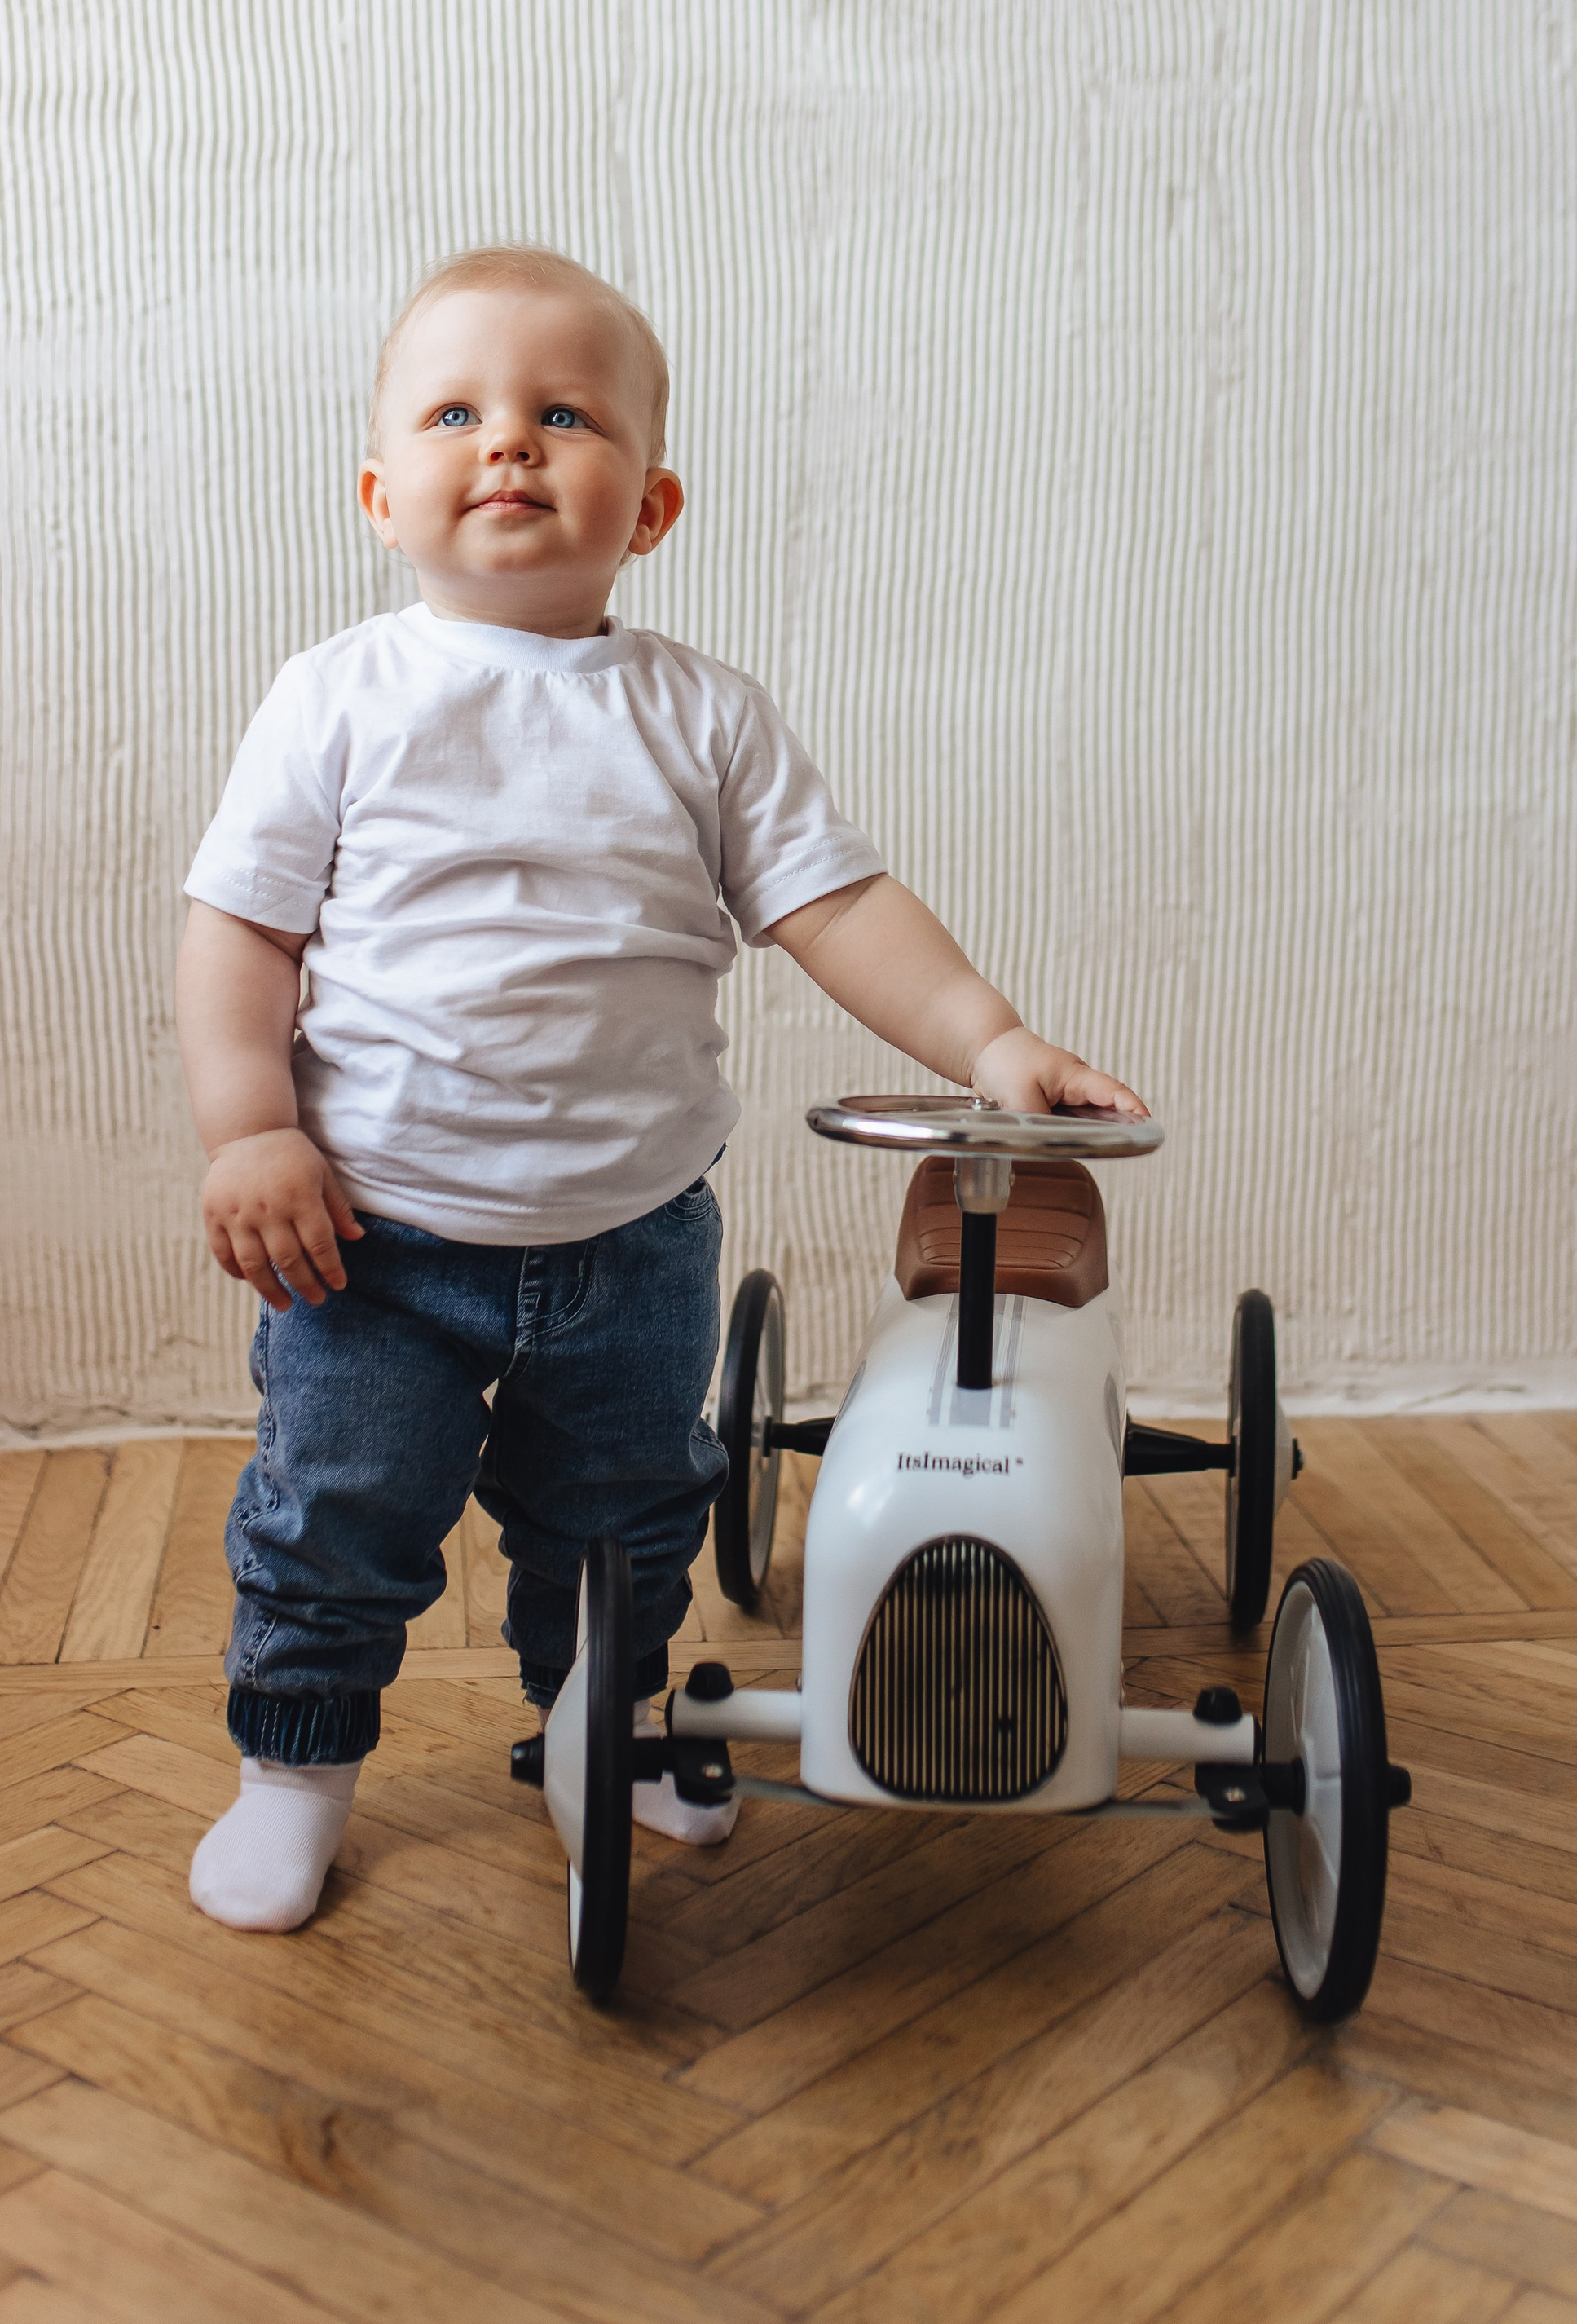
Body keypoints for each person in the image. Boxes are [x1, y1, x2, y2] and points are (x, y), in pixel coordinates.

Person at [178, 244, 1148, 1930]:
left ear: (651, 502)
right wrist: (249, 1123)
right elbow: (240, 930)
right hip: (374, 1245)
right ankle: (296, 1768)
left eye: (565, 414)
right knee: (334, 1517)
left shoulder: (698, 717)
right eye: (457, 411)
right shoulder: (338, 698)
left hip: (630, 1244)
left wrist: (991, 1041)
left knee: (624, 1524)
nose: (510, 445)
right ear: (377, 488)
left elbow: (834, 908)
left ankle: (600, 1736)